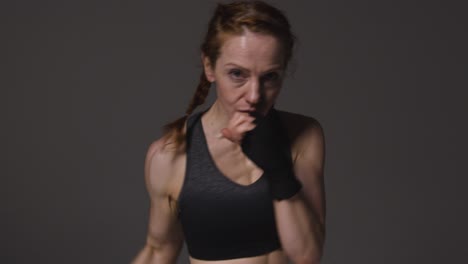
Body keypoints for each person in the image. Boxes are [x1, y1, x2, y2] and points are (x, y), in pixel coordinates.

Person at [132, 1, 326, 263]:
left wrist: (278, 171)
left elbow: (307, 255)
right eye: (237, 74)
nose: (255, 95)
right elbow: (158, 250)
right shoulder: (170, 155)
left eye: (270, 77)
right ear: (209, 67)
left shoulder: (304, 136)